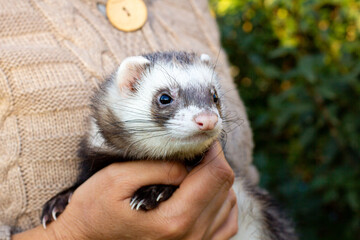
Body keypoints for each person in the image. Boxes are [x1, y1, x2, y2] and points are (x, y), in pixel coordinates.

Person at [0, 0, 257, 239]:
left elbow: (245, 180)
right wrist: (67, 232)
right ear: (129, 85)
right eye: (165, 100)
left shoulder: (191, 5)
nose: (207, 117)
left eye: (212, 98)